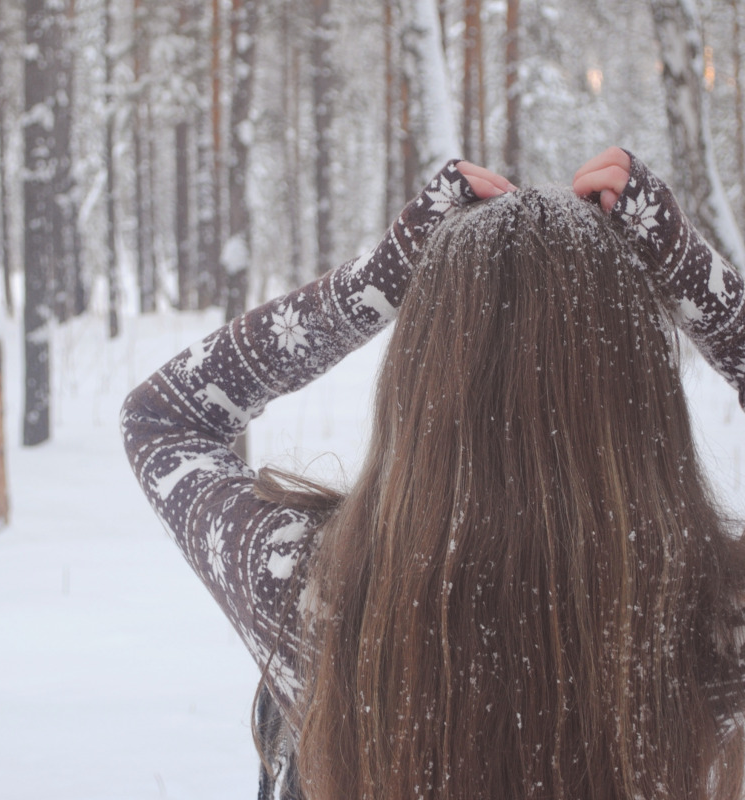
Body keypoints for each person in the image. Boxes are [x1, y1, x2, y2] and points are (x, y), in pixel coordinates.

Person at [121, 147, 745, 800]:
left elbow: (164, 422)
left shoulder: (318, 599)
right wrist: (704, 288)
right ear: (642, 398)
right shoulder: (710, 625)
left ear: (419, 381)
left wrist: (376, 282)